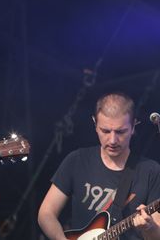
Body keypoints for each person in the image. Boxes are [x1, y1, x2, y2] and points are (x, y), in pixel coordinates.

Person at [38, 92, 160, 240]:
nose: (113, 140)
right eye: (105, 131)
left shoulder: (151, 171)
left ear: (133, 126)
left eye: (121, 131)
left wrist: (149, 227)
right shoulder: (77, 160)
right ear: (95, 124)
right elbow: (46, 213)